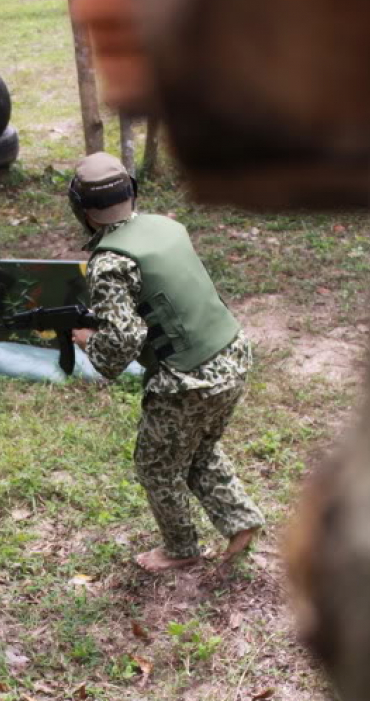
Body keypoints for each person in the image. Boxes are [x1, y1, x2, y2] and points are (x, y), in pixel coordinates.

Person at [69, 152, 264, 573]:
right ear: (131, 192)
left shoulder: (109, 262)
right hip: (232, 353)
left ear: (81, 208)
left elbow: (122, 342)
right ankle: (241, 522)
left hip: (189, 380)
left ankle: (180, 551)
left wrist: (88, 343)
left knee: (155, 466)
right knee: (199, 448)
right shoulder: (165, 226)